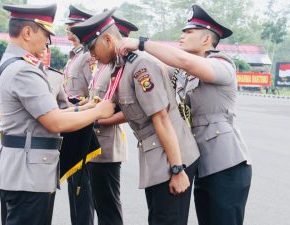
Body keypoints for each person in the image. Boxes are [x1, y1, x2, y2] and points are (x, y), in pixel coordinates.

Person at [116, 4, 253, 225]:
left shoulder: (222, 65)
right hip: (202, 165)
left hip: (227, 166)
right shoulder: (183, 73)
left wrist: (142, 43)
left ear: (206, 40)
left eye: (189, 32)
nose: (182, 35)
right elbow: (157, 67)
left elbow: (183, 60)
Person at [70, 9, 200, 225]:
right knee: (158, 218)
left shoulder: (139, 66)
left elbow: (162, 119)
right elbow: (107, 105)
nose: (91, 56)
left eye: (92, 48)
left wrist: (178, 169)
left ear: (108, 39)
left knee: (168, 219)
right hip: (155, 155)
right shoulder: (119, 67)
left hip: (172, 156)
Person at [0, 4, 115, 225]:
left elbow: (45, 113)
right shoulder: (24, 70)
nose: (48, 41)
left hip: (21, 171)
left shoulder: (10, 64)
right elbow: (54, 121)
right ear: (27, 33)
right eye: (45, 34)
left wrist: (82, 108)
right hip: (29, 175)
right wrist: (97, 111)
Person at [87, 15, 138, 225]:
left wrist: (95, 120)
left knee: (108, 210)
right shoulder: (104, 67)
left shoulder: (122, 68)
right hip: (94, 146)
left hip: (107, 149)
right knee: (101, 206)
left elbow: (130, 110)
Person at [62, 5, 95, 225]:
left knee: (83, 196)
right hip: (72, 126)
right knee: (75, 193)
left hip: (85, 129)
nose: (68, 31)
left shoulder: (87, 57)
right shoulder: (74, 56)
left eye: (72, 26)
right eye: (67, 26)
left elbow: (95, 93)